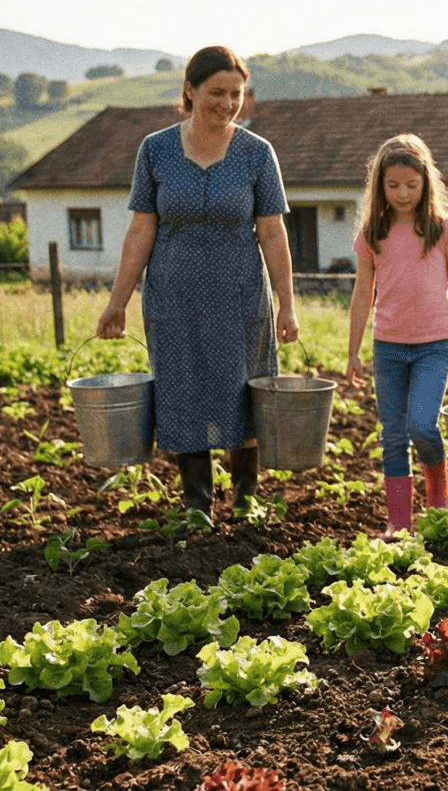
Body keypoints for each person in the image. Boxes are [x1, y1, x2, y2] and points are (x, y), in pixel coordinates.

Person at [97, 45, 298, 527]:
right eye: (216, 92)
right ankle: (196, 505)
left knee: (241, 390)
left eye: (237, 93)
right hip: (172, 296)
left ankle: (246, 500)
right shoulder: (157, 149)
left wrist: (286, 303)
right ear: (189, 90)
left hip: (241, 297)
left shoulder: (256, 153)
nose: (228, 103)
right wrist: (117, 301)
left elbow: (272, 232)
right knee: (181, 391)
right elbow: (141, 230)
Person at [347, 134, 448, 540]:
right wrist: (354, 351)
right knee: (392, 435)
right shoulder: (372, 232)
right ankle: (398, 522)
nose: (403, 193)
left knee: (423, 425)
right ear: (380, 187)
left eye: (411, 185)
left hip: (433, 344)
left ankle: (439, 496)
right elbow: (362, 294)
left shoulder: (442, 228)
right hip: (387, 346)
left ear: (426, 183)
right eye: (393, 186)